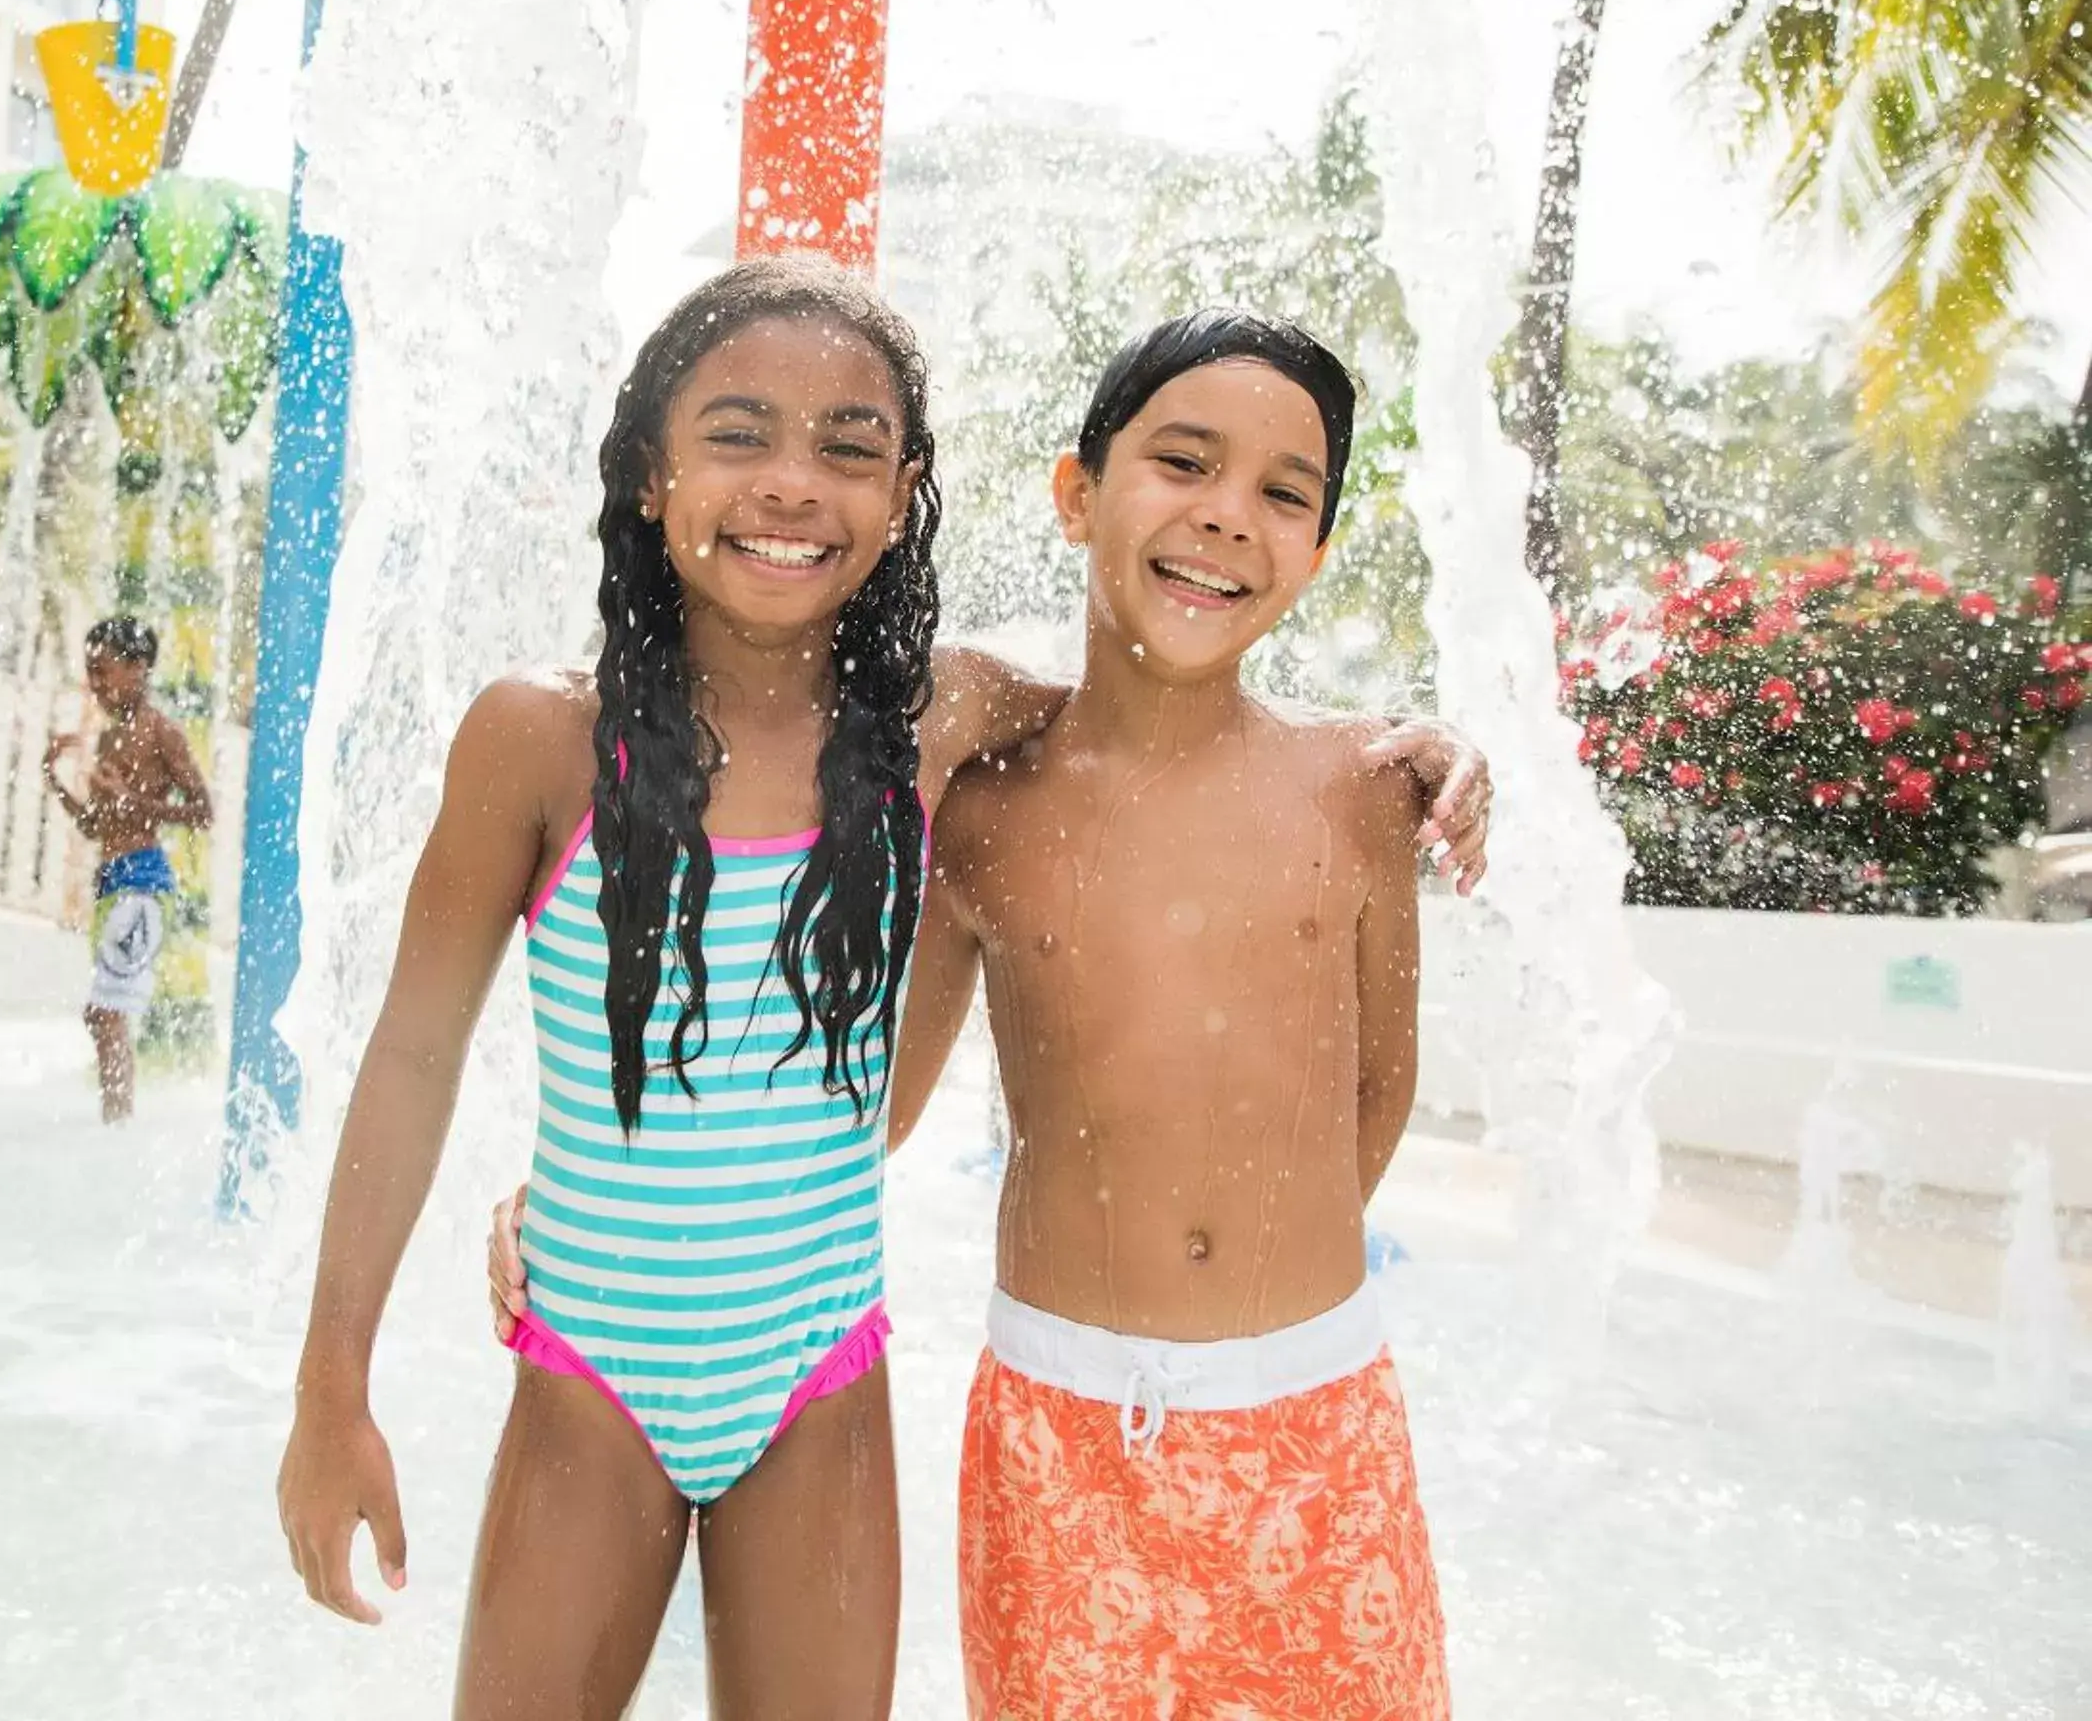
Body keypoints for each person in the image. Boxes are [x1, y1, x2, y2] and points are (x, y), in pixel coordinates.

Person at [276, 262, 1488, 1719]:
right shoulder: (541, 739)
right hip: (592, 1361)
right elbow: (413, 1059)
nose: (793, 485)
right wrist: (332, 1382)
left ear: (904, 490)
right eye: (738, 434)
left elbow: (1143, 724)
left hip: (818, 1386)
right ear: (650, 473)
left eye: (849, 449)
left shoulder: (935, 722)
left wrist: (1422, 745)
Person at [902, 309, 1453, 1718]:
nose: (1227, 519)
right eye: (1184, 463)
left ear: (1320, 551)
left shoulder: (1363, 790)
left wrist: (1256, 1307)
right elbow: (869, 1107)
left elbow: (1377, 1091)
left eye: (1284, 494)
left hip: (1319, 1427)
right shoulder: (982, 806)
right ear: (1079, 492)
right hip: (1062, 1435)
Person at [41, 616, 211, 1123]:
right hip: (114, 881)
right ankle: (114, 1121)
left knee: (104, 1013)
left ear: (139, 669)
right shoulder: (112, 740)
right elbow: (96, 826)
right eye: (90, 671)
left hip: (143, 881)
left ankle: (119, 1124)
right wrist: (54, 778)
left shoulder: (163, 733)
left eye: (103, 670)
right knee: (103, 1015)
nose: (94, 683)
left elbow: (202, 812)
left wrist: (130, 796)